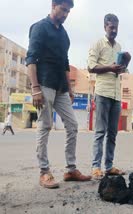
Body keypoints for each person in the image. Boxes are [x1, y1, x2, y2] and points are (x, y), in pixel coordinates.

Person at [26, 0, 91, 189]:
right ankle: (44, 172)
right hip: (44, 83)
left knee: (72, 125)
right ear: (53, 6)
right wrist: (35, 88)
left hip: (61, 87)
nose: (65, 15)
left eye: (68, 12)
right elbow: (31, 58)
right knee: (45, 126)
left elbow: (65, 63)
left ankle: (70, 169)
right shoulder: (39, 28)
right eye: (63, 10)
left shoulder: (64, 35)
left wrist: (70, 89)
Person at [87, 14, 131, 180]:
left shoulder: (118, 46)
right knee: (100, 132)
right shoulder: (98, 44)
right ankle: (96, 167)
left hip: (116, 95)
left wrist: (125, 65)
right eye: (111, 27)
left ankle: (109, 166)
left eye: (116, 28)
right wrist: (110, 68)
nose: (114, 30)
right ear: (105, 26)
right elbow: (91, 67)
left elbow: (121, 70)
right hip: (102, 93)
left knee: (113, 133)